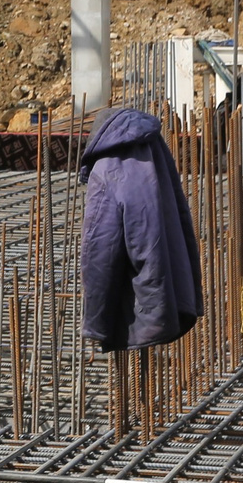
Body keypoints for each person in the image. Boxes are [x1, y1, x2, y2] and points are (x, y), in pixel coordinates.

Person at [78, 107, 203, 353]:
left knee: (131, 382)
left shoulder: (106, 169)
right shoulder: (155, 149)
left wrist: (96, 323)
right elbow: (181, 221)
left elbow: (100, 250)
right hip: (170, 289)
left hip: (135, 307)